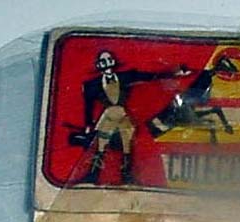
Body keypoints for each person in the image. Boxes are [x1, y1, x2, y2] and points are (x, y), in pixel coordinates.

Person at [79, 50, 188, 184]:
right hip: (108, 116)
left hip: (123, 115)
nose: (107, 64)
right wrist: (88, 124)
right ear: (98, 64)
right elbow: (88, 105)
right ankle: (93, 174)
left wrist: (171, 73)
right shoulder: (92, 84)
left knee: (127, 147)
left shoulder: (125, 76)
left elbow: (148, 76)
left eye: (109, 60)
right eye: (103, 61)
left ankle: (127, 175)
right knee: (101, 146)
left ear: (113, 61)